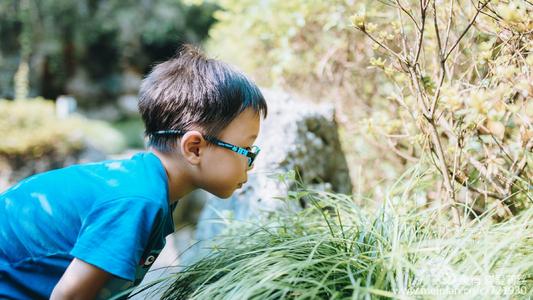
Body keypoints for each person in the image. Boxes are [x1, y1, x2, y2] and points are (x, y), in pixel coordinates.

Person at [0, 44, 268, 299]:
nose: (251, 163)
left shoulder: (149, 188)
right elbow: (69, 295)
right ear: (194, 148)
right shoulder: (139, 200)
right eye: (247, 150)